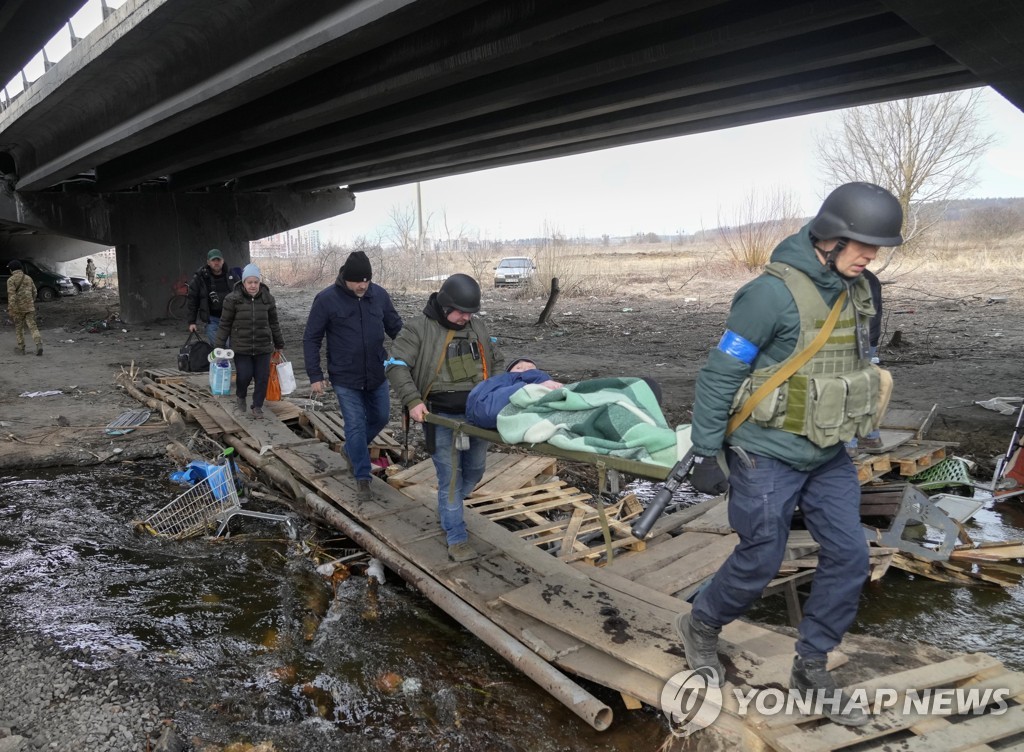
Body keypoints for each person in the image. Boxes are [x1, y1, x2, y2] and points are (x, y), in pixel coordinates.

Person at [678, 182, 903, 727]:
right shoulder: (768, 295)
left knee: (850, 556)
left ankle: (811, 664)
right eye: (860, 244)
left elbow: (854, 366)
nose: (870, 255)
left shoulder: (859, 288)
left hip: (827, 452)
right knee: (760, 558)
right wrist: (707, 450)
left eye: (876, 247)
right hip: (767, 453)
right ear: (829, 236)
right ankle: (701, 624)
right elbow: (720, 374)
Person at [386, 273, 503, 562]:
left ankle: (449, 508)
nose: (467, 318)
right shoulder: (417, 329)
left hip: (478, 415)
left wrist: (498, 393)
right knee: (450, 478)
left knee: (475, 471)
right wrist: (413, 401)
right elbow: (396, 365)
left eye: (471, 312)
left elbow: (496, 361)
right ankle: (456, 535)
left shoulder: (478, 327)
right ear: (445, 305)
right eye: (462, 312)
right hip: (439, 417)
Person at [303, 251, 403, 501]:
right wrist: (315, 374)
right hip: (345, 376)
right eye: (358, 281)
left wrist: (411, 354)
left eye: (366, 280)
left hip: (376, 372)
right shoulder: (326, 299)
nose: (362, 285)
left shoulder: (378, 295)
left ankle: (351, 449)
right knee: (356, 425)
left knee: (380, 417)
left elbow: (396, 328)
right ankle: (362, 477)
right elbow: (311, 338)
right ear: (345, 278)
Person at [214, 263, 284, 420]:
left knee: (262, 377)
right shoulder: (232, 299)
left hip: (263, 346)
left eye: (256, 282)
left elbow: (274, 323)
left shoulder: (268, 299)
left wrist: (279, 343)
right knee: (244, 375)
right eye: (249, 282)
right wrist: (218, 346)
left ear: (259, 282)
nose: (253, 286)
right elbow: (225, 324)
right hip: (241, 347)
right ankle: (241, 396)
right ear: (243, 283)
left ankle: (257, 406)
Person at [466, 357, 563, 429]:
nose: (525, 370)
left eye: (531, 368)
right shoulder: (503, 380)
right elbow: (488, 412)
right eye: (518, 368)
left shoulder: (541, 378)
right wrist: (528, 387)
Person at [186, 248, 238, 343]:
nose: (216, 262)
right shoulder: (200, 278)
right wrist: (192, 322)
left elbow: (242, 296)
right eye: (213, 260)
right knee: (219, 349)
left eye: (218, 260)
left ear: (223, 261)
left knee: (232, 348)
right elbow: (193, 300)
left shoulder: (232, 276)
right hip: (212, 320)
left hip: (231, 319)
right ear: (208, 262)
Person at [6, 260, 43, 356]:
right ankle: (39, 344)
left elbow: (12, 296)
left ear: (11, 270)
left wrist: (11, 309)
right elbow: (35, 292)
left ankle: (21, 348)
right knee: (33, 326)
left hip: (18, 309)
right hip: (30, 307)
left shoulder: (11, 280)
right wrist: (31, 302)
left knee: (19, 328)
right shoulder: (28, 278)